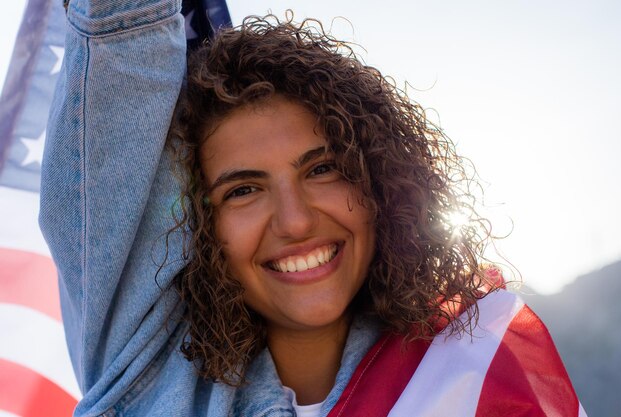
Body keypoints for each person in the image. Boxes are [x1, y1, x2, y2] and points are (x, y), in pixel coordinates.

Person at [40, 1, 585, 416]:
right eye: (243, 191)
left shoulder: (477, 368)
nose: (296, 221)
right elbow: (120, 50)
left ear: (379, 184)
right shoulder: (149, 376)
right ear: (201, 230)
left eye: (322, 169)